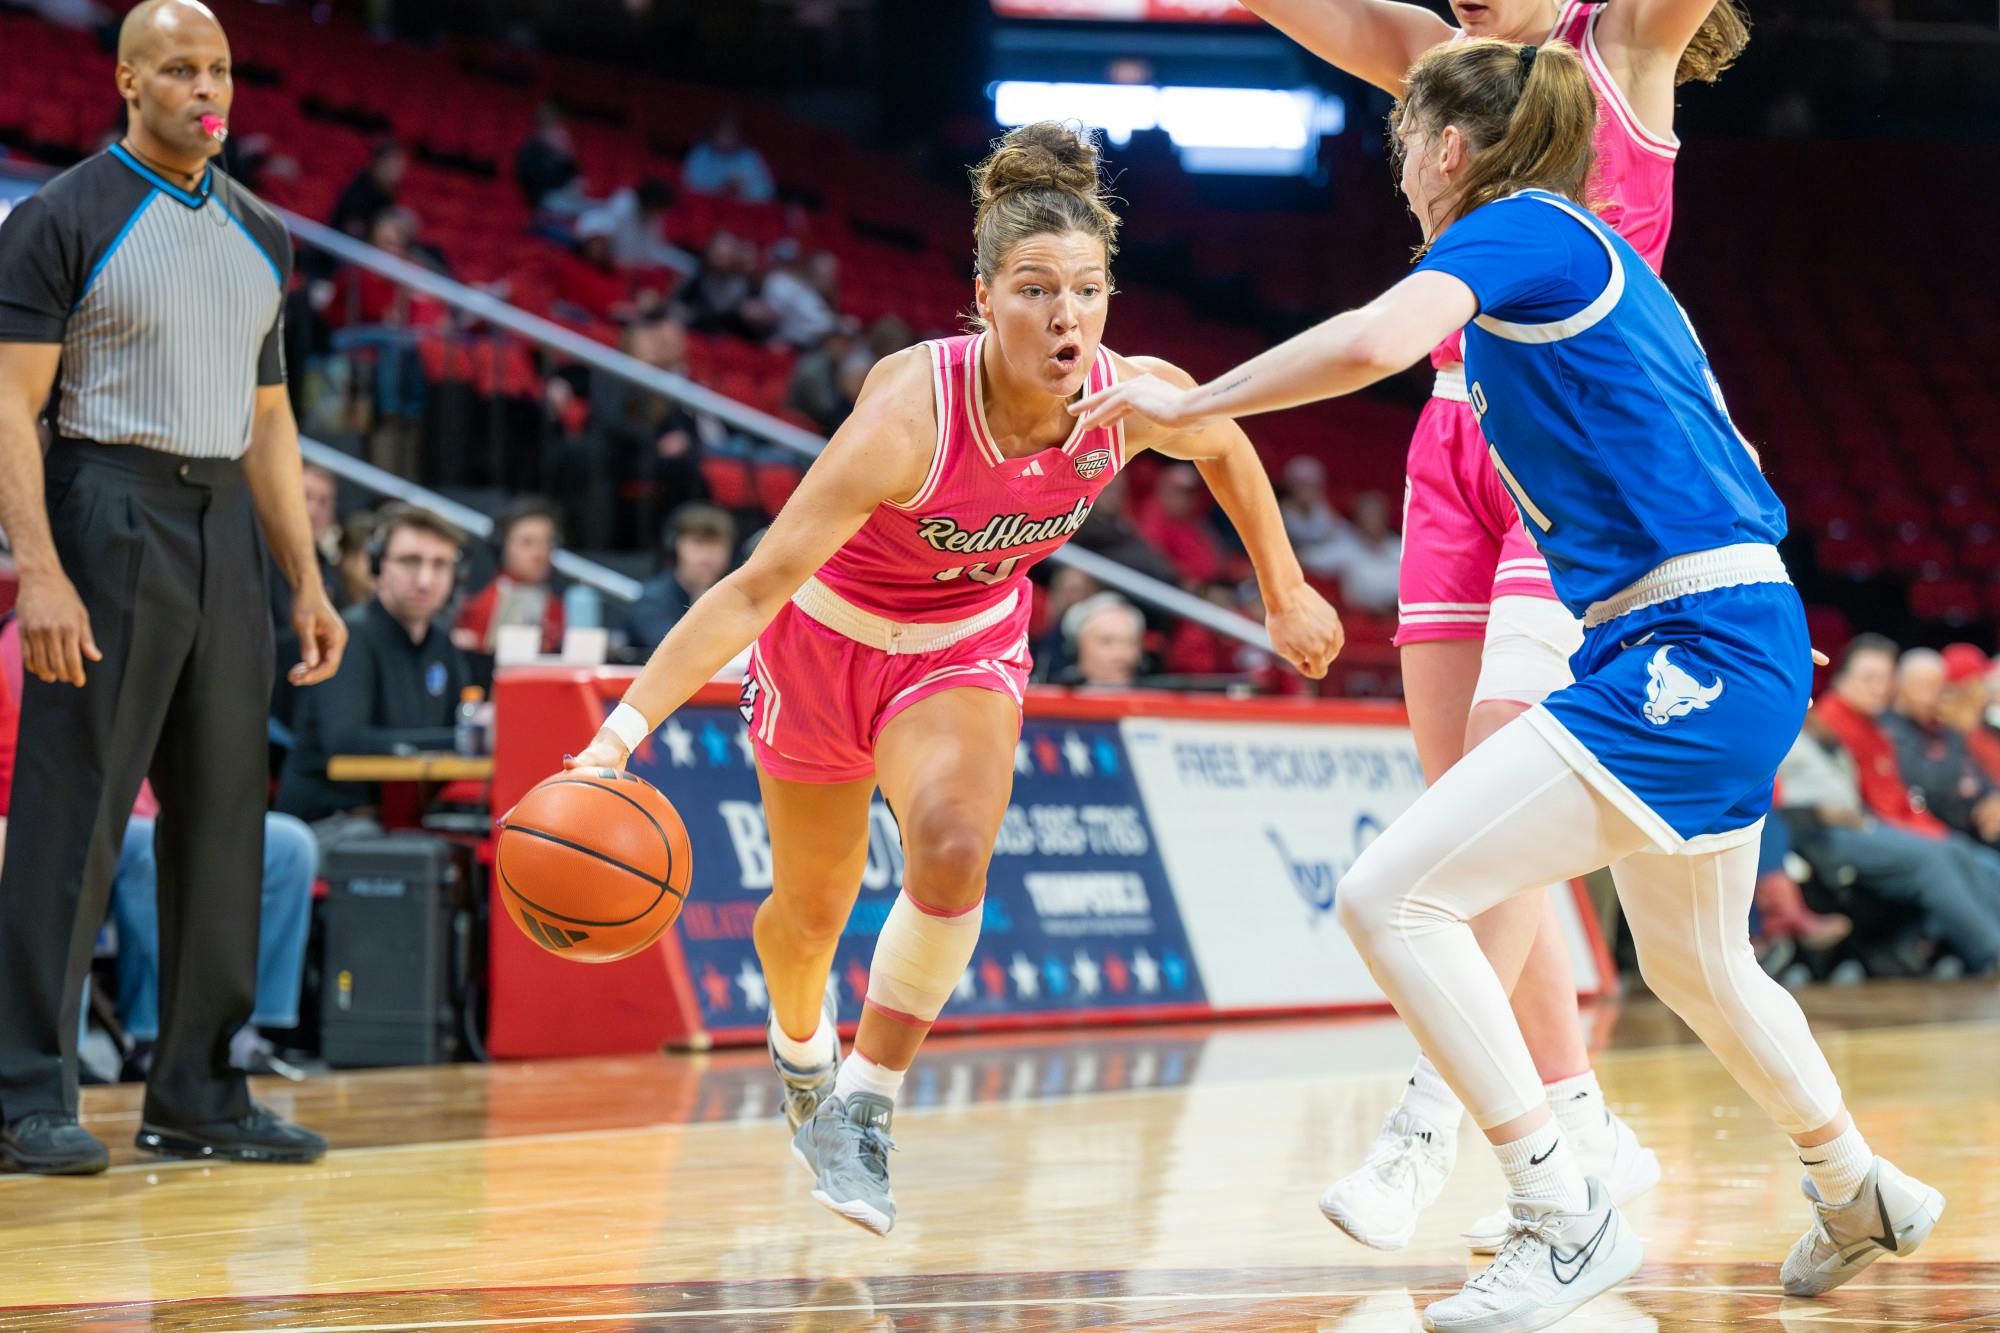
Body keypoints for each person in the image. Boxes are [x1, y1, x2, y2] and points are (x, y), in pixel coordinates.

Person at [1074, 40, 1940, 1330]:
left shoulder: (1520, 228)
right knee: (1697, 968)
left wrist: (1188, 404)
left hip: (1688, 646)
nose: (1393, 167)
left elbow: (1373, 337)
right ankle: (1854, 1183)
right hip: (1708, 633)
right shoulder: (1590, 261)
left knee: (1392, 894)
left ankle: (1559, 1210)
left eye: (1399, 141)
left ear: (1446, 150)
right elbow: (1710, 441)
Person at [569, 122, 1342, 1235]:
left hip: (962, 646)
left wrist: (1281, 589)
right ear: (983, 299)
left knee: (949, 845)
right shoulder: (905, 418)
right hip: (824, 643)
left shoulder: (1131, 397)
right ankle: (800, 1053)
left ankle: (866, 1106)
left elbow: (1220, 442)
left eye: (1085, 290)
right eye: (1034, 290)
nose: (1064, 314)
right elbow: (751, 589)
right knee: (806, 914)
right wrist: (615, 738)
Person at [1235, 0, 1750, 1253]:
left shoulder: (1621, 42)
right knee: (1462, 813)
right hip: (1448, 440)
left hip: (1573, 447)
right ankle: (1581, 1125)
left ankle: (1431, 1114)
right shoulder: (1440, 58)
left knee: (1496, 766)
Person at [0, 0, 342, 1174]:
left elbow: (270, 421)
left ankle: (199, 1086)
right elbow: (8, 403)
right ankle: (21, 1093)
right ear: (127, 82)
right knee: (75, 817)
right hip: (105, 500)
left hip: (221, 524)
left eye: (223, 69)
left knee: (223, 817)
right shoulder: (62, 216)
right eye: (181, 69)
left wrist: (304, 576)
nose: (209, 89)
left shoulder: (262, 232)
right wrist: (37, 568)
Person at [275, 505, 471, 845]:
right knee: (423, 858)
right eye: (411, 561)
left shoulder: (442, 644)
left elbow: (464, 727)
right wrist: (459, 741)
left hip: (399, 821)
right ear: (378, 565)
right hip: (327, 823)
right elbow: (345, 742)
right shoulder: (350, 636)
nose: (425, 579)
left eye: (440, 564)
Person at [1883, 647, 2000, 846]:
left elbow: (1976, 774)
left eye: (1939, 688)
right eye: (1924, 687)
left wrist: (1991, 799)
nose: (1933, 697)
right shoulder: (1885, 730)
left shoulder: (1946, 730)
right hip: (1929, 832)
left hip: (1967, 826)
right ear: (1899, 685)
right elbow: (1925, 788)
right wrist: (1971, 802)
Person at [454, 498, 566, 656]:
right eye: (527, 543)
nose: (540, 553)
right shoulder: (481, 607)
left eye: (548, 542)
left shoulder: (556, 605)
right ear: (502, 546)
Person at [620, 503, 737, 649]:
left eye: (716, 545)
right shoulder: (652, 600)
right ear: (676, 546)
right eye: (698, 543)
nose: (707, 557)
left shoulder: (734, 599)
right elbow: (671, 650)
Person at [1054, 591, 1146, 688]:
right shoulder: (1051, 694)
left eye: (1130, 643)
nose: (1120, 655)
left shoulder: (1154, 696)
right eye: (1107, 642)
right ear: (1076, 649)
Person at [682, 114, 777, 204]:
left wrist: (742, 190)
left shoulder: (750, 157)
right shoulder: (701, 153)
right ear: (713, 132)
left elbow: (766, 192)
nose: (727, 138)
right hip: (705, 209)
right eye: (722, 133)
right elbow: (690, 185)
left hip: (741, 212)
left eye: (731, 134)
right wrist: (721, 188)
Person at [330, 141, 407, 240]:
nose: (395, 170)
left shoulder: (390, 193)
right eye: (390, 164)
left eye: (399, 165)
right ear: (377, 163)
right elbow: (353, 230)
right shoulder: (360, 187)